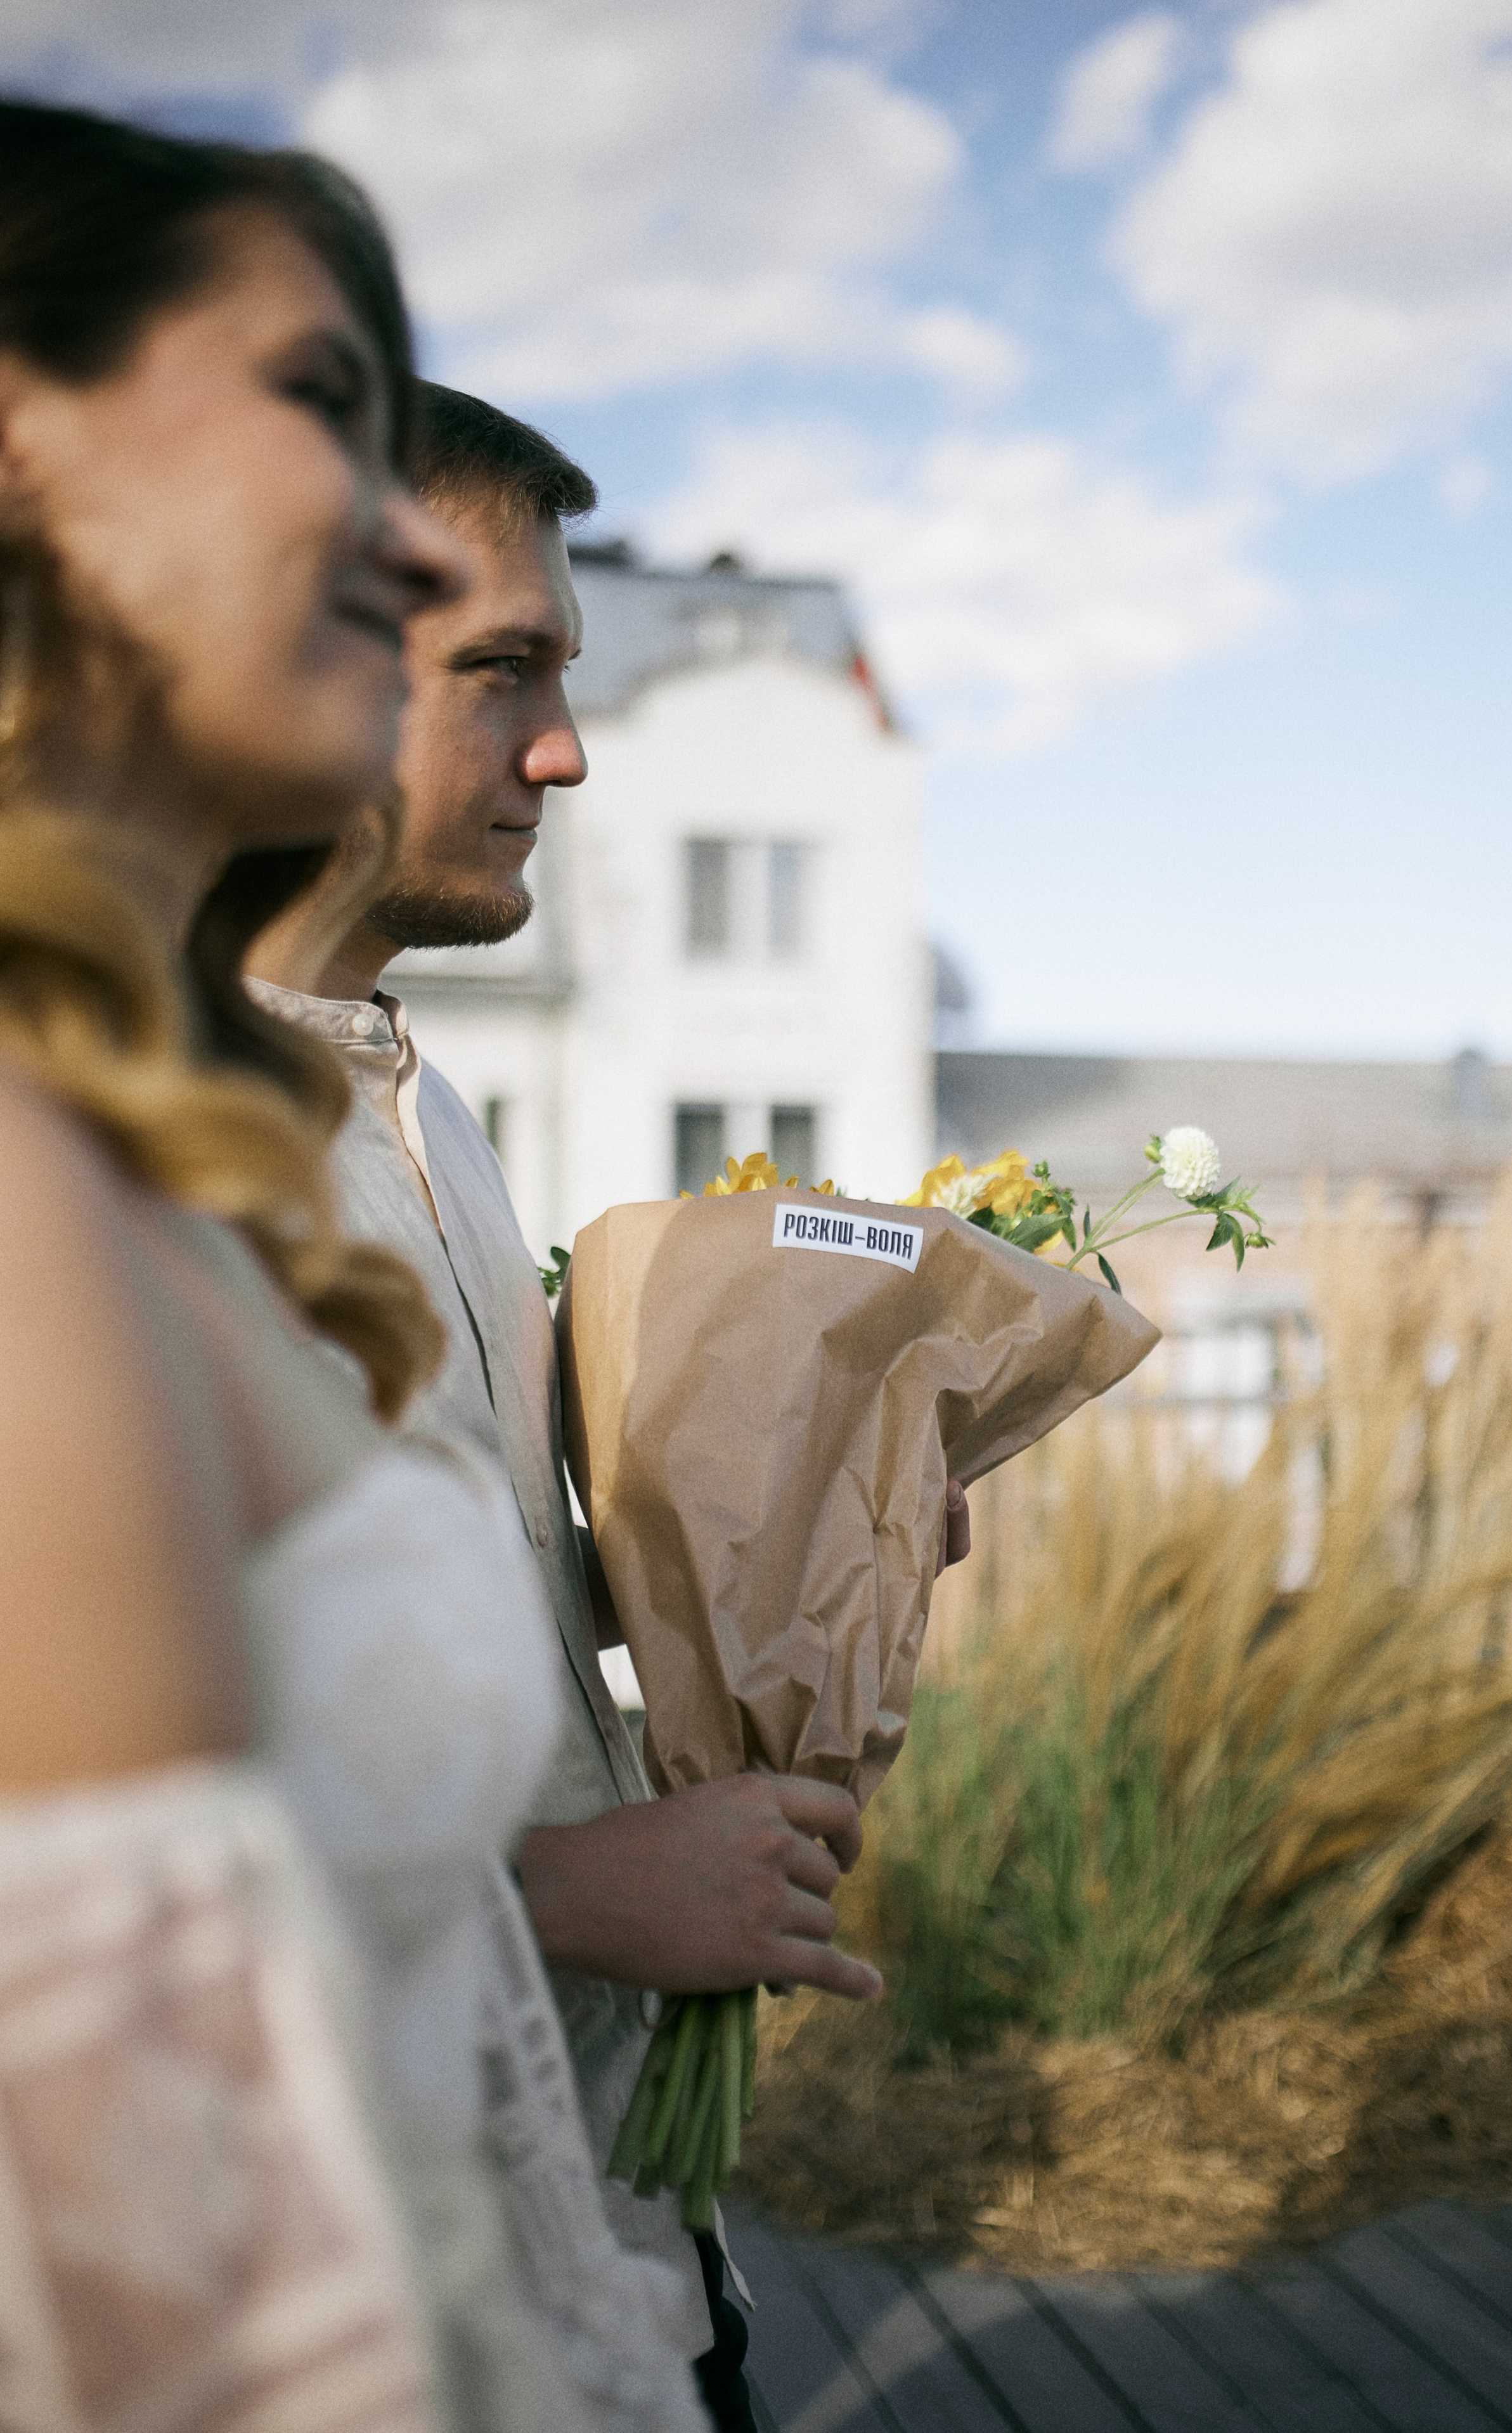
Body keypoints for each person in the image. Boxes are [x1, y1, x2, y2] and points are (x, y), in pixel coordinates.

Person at [0, 103, 700, 2432]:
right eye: (321, 403)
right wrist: (581, 1895)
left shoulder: (305, 1112)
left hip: (558, 2255)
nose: (395, 525)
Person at [247, 378, 974, 2432]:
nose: (564, 750)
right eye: (504, 675)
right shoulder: (92, 1166)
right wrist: (564, 1902)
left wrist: (784, 1514)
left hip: (602, 2258)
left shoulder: (427, 1113)